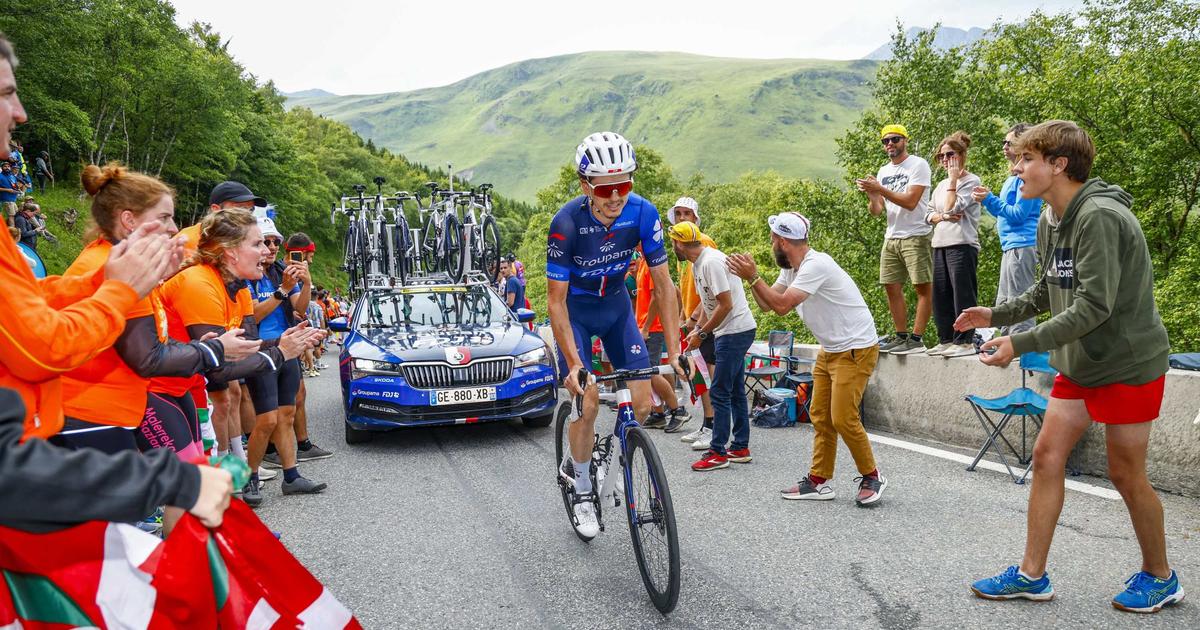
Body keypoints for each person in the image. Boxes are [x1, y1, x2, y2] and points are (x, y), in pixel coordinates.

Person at [0, 31, 234, 529]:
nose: (20, 112)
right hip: (81, 418)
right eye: (5, 95)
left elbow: (33, 303)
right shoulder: (100, 263)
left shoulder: (102, 263)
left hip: (81, 420)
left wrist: (112, 282)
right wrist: (119, 290)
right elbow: (45, 347)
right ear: (128, 221)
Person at [959, 121, 1182, 613]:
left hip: (1127, 363)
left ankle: (1160, 576)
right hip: (1080, 362)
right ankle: (1031, 575)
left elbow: (1092, 306)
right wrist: (994, 315)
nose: (1015, 169)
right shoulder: (1048, 218)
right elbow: (1047, 290)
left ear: (1058, 165)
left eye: (1025, 160)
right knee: (1045, 456)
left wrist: (1017, 344)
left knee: (1127, 475)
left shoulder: (1099, 217)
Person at [546, 131, 683, 540]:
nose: (615, 196)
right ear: (585, 184)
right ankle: (584, 487)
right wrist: (573, 364)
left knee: (641, 403)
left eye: (624, 184)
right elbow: (555, 303)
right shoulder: (566, 224)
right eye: (606, 188)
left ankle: (621, 457)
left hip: (617, 306)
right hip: (578, 313)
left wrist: (675, 351)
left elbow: (664, 284)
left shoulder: (643, 213)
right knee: (587, 401)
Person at [728, 212, 888, 505]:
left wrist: (753, 276)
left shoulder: (816, 265)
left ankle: (872, 475)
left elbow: (782, 306)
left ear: (783, 241)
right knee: (820, 416)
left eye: (773, 238)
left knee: (843, 418)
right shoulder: (792, 268)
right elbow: (767, 305)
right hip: (831, 348)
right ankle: (819, 481)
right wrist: (749, 281)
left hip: (855, 348)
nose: (771, 242)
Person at [241, 219, 327, 505]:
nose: (272, 247)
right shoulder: (246, 275)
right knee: (266, 420)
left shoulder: (279, 271)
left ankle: (291, 476)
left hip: (288, 349)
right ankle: (250, 478)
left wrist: (306, 283)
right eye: (266, 242)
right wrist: (280, 291)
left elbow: (299, 309)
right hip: (261, 350)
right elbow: (251, 316)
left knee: (287, 416)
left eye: (276, 242)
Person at [669, 222, 756, 471]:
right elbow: (710, 305)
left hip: (735, 330)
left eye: (674, 241)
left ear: (680, 244)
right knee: (736, 390)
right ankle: (740, 446)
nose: (672, 246)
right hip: (728, 330)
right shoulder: (698, 264)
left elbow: (725, 304)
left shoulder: (711, 262)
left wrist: (703, 334)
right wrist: (697, 330)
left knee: (719, 391)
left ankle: (718, 452)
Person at [855, 124, 933, 355]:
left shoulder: (918, 164)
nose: (890, 144)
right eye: (885, 141)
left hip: (916, 234)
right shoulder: (883, 171)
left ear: (905, 141)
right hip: (892, 235)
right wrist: (872, 195)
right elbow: (877, 210)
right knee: (890, 286)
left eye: (895, 139)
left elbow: (910, 201)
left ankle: (917, 339)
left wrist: (880, 188)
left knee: (922, 287)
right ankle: (901, 336)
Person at [972, 123, 1043, 335]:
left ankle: (1022, 349)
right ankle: (1005, 342)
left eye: (1009, 142)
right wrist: (988, 201)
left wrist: (990, 199)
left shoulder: (1026, 178)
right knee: (1004, 299)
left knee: (1019, 298)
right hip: (1011, 245)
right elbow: (1005, 214)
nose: (1004, 146)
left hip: (1023, 244)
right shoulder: (1013, 178)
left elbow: (1018, 215)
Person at [924, 132, 982, 357]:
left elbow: (950, 207)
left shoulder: (971, 181)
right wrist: (943, 216)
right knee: (941, 293)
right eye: (942, 156)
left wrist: (953, 181)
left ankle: (964, 340)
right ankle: (946, 338)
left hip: (962, 243)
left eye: (950, 155)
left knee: (962, 293)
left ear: (962, 155)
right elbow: (929, 214)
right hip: (940, 243)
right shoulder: (939, 185)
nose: (946, 160)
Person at [667, 196, 717, 440]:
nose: (683, 218)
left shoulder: (704, 243)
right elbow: (684, 288)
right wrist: (681, 316)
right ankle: (707, 423)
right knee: (697, 376)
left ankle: (713, 426)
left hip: (705, 321)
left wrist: (696, 320)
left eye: (687, 214)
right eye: (678, 214)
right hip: (691, 320)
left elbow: (713, 288)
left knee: (707, 374)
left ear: (696, 218)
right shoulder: (680, 248)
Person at [282, 232, 334, 464]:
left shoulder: (300, 275)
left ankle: (303, 445)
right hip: (274, 343)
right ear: (300, 252)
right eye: (309, 256)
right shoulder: (275, 272)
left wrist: (306, 283)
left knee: (299, 395)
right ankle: (273, 451)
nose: (310, 261)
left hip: (292, 341)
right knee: (279, 406)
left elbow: (301, 309)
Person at [634, 244, 689, 431]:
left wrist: (647, 326)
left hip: (653, 328)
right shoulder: (642, 261)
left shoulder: (651, 262)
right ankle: (658, 413)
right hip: (644, 326)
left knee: (648, 371)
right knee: (648, 371)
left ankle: (677, 410)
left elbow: (659, 296)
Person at [0, 160, 18, 226]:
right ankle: (12, 233)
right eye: (5, 166)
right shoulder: (0, 176)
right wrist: (7, 190)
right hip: (6, 199)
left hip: (13, 199)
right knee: (11, 216)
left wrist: (17, 189)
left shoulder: (12, 176)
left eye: (8, 166)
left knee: (16, 215)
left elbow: (15, 185)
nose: (7, 167)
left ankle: (9, 229)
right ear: (1, 167)